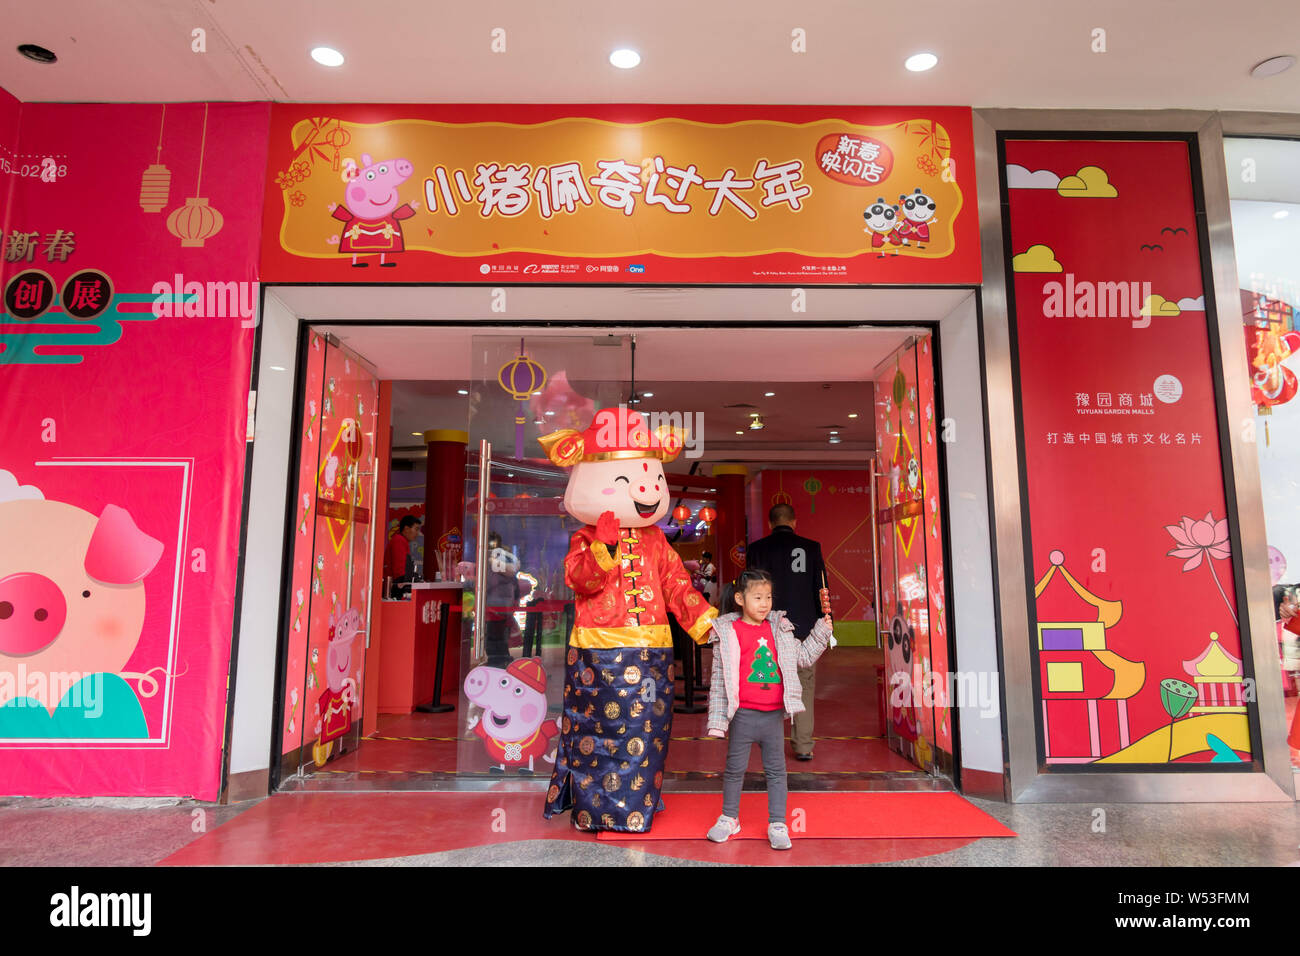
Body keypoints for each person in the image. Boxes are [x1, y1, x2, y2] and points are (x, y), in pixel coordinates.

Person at [705, 568, 833, 850]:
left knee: (776, 771)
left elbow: (803, 657)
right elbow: (718, 679)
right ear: (740, 598)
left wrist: (822, 631)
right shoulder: (727, 631)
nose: (764, 603)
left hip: (773, 717)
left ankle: (778, 822)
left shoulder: (780, 628)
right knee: (734, 770)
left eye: (769, 597)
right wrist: (716, 721)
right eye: (758, 597)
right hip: (742, 716)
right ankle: (729, 818)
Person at [744, 503, 829, 761]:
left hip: (765, 626)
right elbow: (821, 588)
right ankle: (803, 745)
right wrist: (826, 623)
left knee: (765, 681)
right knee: (804, 684)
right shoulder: (812, 548)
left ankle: (767, 744)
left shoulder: (757, 549)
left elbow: (749, 590)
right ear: (794, 522)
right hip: (802, 629)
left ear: (770, 524)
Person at [484, 530, 521, 668]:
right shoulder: (504, 558)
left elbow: (492, 581)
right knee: (500, 633)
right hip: (504, 603)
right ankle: (502, 658)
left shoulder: (492, 559)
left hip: (494, 603)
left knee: (495, 634)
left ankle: (497, 661)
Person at [386, 516, 421, 598]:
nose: (417, 533)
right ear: (406, 529)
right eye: (416, 529)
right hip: (394, 588)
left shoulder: (401, 540)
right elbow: (400, 571)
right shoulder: (399, 541)